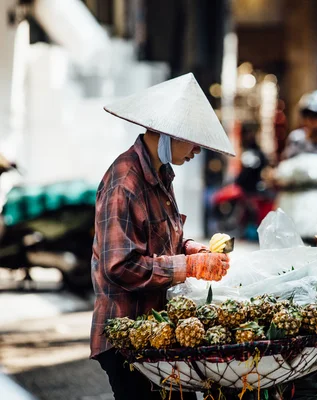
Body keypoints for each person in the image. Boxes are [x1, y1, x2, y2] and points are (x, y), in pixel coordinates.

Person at [90, 73, 234, 400]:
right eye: (193, 140)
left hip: (157, 333)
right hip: (126, 336)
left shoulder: (160, 174)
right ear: (169, 133)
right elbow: (120, 266)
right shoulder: (124, 184)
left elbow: (165, 239)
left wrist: (193, 249)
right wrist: (188, 266)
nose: (198, 150)